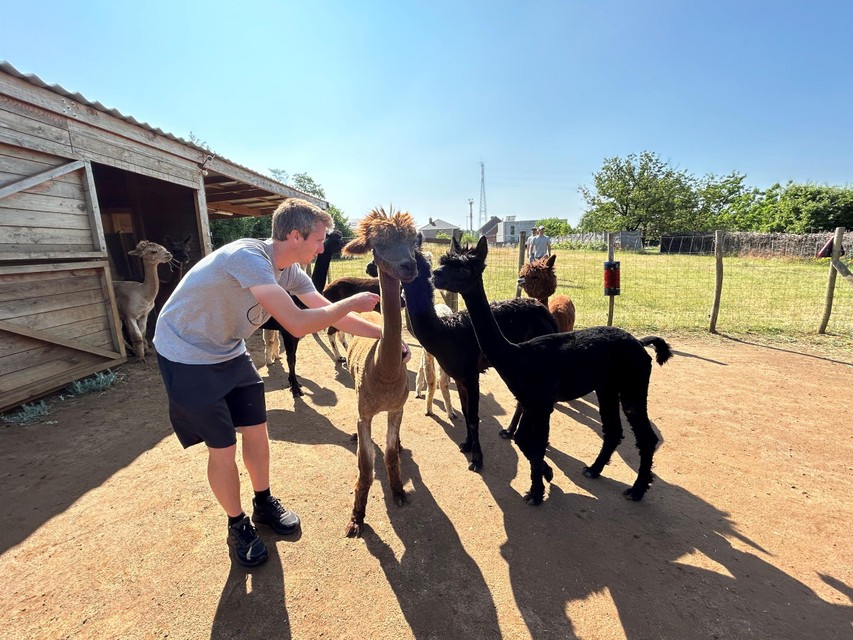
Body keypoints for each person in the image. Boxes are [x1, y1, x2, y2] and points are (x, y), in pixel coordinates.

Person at [153, 198, 410, 567]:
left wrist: (388, 338)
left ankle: (262, 501)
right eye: (319, 240)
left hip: (227, 349)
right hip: (187, 353)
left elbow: (329, 317)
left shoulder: (291, 272)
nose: (324, 248)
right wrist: (350, 302)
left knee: (257, 430)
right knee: (222, 445)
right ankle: (237, 523)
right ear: (295, 235)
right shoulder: (249, 258)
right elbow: (299, 323)